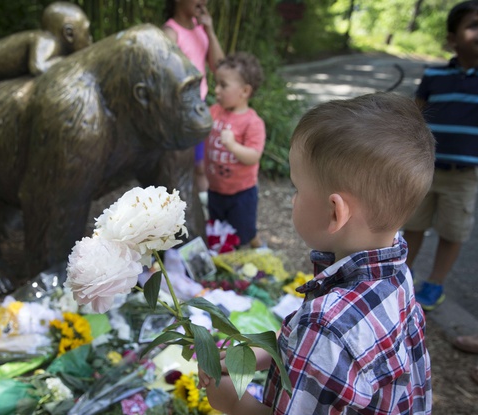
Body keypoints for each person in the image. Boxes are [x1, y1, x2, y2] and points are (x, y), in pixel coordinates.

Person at [198, 93, 435, 414]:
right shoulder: (396, 270)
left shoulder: (326, 324)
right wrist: (278, 351)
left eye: (297, 188)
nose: (293, 199)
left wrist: (232, 401)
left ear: (335, 213)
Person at [402, 0, 478, 311]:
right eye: (474, 24)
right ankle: (403, 274)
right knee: (413, 224)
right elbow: (415, 114)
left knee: (452, 230)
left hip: (463, 175)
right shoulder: (435, 75)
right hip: (426, 167)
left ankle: (435, 283)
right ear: (452, 38)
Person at [162, 0, 225, 198]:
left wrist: (210, 31)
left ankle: (203, 217)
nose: (204, 1)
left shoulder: (201, 29)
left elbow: (220, 67)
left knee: (200, 166)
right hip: (181, 110)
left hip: (200, 106)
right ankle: (177, 215)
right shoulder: (170, 33)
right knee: (180, 167)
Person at [204, 52, 265, 248]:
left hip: (241, 193)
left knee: (242, 233)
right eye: (216, 84)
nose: (217, 90)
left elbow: (253, 156)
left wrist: (232, 146)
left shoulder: (252, 122)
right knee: (219, 230)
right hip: (215, 189)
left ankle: (257, 248)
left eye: (223, 85)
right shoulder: (214, 111)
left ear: (245, 91)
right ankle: (225, 256)